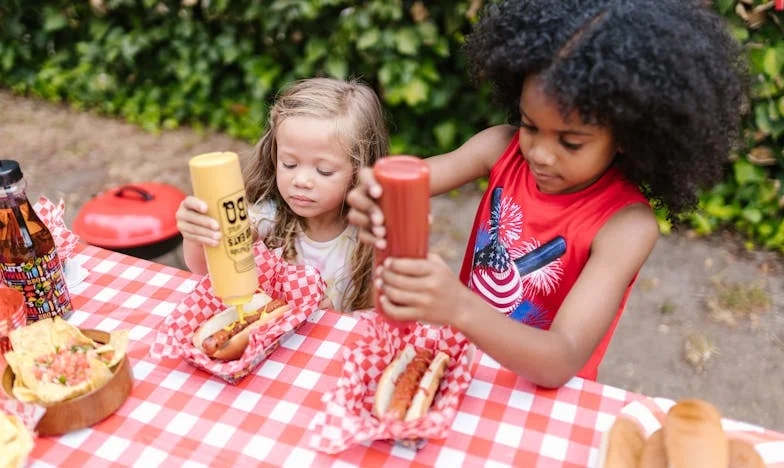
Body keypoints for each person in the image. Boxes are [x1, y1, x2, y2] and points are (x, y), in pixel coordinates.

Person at [347, 0, 746, 387]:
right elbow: (409, 182)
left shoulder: (625, 225)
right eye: (529, 125)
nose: (539, 153)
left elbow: (561, 358)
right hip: (462, 368)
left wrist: (458, 307)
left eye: (571, 143)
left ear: (628, 135)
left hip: (541, 397)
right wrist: (376, 194)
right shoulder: (498, 149)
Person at [177, 77, 389, 312]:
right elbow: (203, 269)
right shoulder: (266, 218)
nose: (301, 181)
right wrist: (199, 234)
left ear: (361, 172)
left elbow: (379, 319)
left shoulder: (370, 239)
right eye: (289, 164)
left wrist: (332, 319)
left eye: (323, 170)